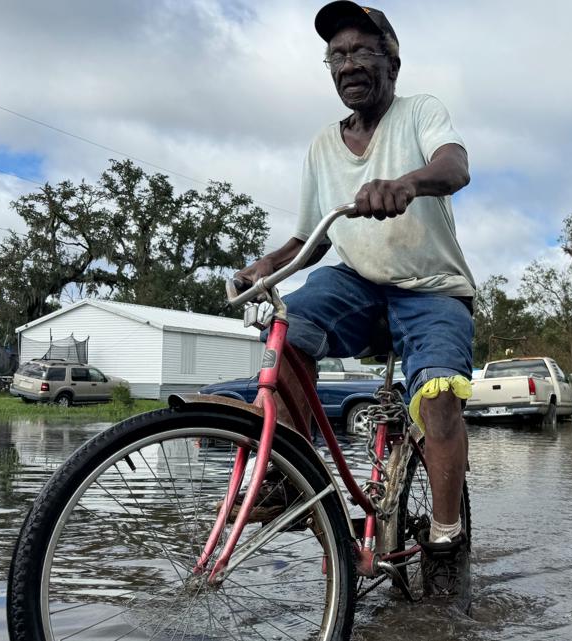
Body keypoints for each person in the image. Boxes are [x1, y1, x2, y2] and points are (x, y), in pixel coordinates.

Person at [237, 1, 475, 602]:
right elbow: (307, 237)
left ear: (390, 59)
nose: (348, 65)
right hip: (358, 283)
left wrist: (407, 183)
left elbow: (455, 165)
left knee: (441, 400)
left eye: (361, 51)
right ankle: (292, 472)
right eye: (337, 55)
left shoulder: (420, 111)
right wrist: (266, 266)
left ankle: (445, 540)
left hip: (432, 290)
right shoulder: (322, 144)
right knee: (287, 328)